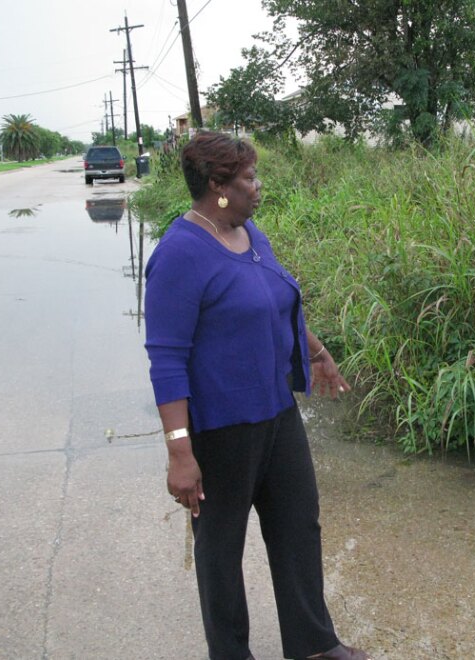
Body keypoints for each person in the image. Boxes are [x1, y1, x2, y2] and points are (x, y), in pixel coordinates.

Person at [144, 131, 371, 660]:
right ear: (218, 187)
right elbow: (167, 361)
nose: (257, 186)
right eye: (248, 178)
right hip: (220, 428)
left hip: (276, 413)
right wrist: (180, 452)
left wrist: (315, 353)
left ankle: (313, 645)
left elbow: (276, 302)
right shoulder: (180, 255)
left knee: (298, 527)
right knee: (220, 549)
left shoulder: (250, 235)